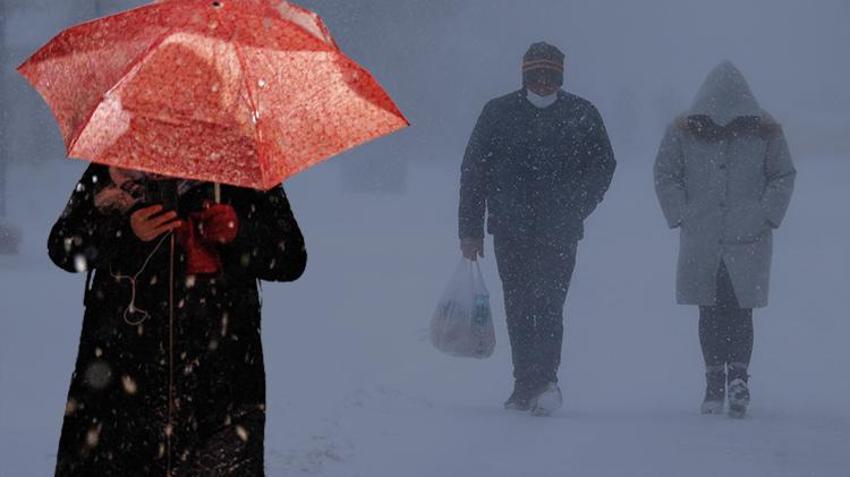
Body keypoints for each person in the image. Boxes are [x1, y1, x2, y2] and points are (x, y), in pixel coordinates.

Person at [49, 164, 306, 475]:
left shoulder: (242, 166)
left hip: (220, 374)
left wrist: (239, 233)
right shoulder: (114, 162)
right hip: (122, 372)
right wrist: (125, 232)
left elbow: (291, 257)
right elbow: (63, 246)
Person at [458, 42, 616, 416]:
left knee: (548, 305)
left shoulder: (581, 114)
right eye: (536, 76)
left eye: (551, 77)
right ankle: (522, 384)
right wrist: (470, 230)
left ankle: (547, 381)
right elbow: (473, 173)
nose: (543, 83)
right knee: (517, 305)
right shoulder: (497, 113)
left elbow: (603, 166)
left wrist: (578, 206)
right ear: (525, 76)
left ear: (561, 77)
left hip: (559, 230)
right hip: (509, 229)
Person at [654, 61, 795, 418]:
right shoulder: (683, 130)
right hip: (702, 236)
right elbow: (665, 173)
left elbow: (783, 175)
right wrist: (682, 213)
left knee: (740, 308)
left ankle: (738, 379)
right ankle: (714, 380)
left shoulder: (766, 131)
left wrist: (765, 214)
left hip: (748, 237)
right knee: (709, 308)